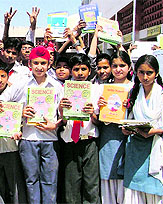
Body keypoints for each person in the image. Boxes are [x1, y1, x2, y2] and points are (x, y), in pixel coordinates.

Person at [0, 46, 62, 204]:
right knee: (31, 180)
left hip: (50, 139)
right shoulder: (21, 84)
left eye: (43, 63)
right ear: (29, 64)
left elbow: (64, 114)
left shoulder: (57, 86)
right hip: (28, 138)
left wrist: (55, 125)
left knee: (50, 181)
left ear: (49, 64)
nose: (39, 67)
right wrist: (19, 112)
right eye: (36, 63)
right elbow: (0, 103)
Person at [122, 54, 163, 204]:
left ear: (156, 73)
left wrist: (154, 131)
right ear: (136, 73)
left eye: (149, 73)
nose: (145, 77)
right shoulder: (134, 93)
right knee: (133, 196)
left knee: (153, 195)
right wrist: (127, 129)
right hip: (135, 151)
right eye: (141, 72)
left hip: (155, 150)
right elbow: (129, 120)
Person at [58, 53, 101, 204]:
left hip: (89, 141)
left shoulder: (97, 90)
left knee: (91, 184)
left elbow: (100, 121)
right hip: (70, 141)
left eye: (83, 69)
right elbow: (62, 121)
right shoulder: (63, 89)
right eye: (76, 69)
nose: (80, 73)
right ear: (71, 71)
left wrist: (92, 114)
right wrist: (62, 110)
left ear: (89, 71)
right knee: (71, 185)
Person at [0, 59, 27, 203]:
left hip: (12, 143)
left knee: (15, 183)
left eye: (3, 76)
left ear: (8, 77)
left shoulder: (15, 94)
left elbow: (21, 117)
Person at [97, 50, 134, 204]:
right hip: (108, 138)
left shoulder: (135, 88)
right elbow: (97, 118)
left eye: (122, 65)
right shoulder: (104, 88)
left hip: (128, 140)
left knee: (125, 181)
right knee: (108, 178)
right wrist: (100, 108)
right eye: (115, 66)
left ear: (129, 67)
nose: (118, 69)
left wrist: (130, 108)